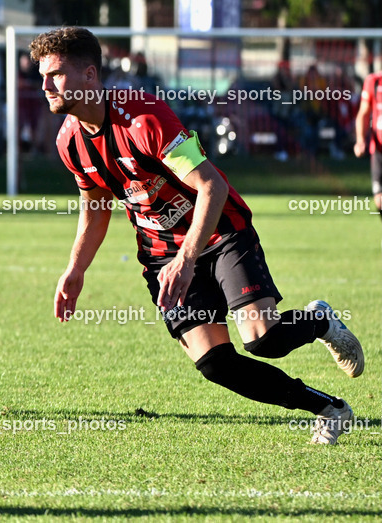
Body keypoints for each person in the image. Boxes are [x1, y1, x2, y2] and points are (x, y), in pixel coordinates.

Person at [34, 26, 363, 445]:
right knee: (215, 364)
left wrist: (187, 260)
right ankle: (327, 408)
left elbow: (212, 186)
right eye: (42, 75)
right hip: (160, 253)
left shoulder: (146, 119)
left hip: (220, 231)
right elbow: (97, 207)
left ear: (90, 75)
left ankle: (318, 321)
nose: (45, 86)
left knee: (262, 340)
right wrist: (75, 269)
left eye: (56, 74)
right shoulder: (70, 143)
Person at [353, 69, 382, 227]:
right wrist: (360, 140)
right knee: (379, 200)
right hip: (378, 151)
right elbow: (363, 113)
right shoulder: (374, 81)